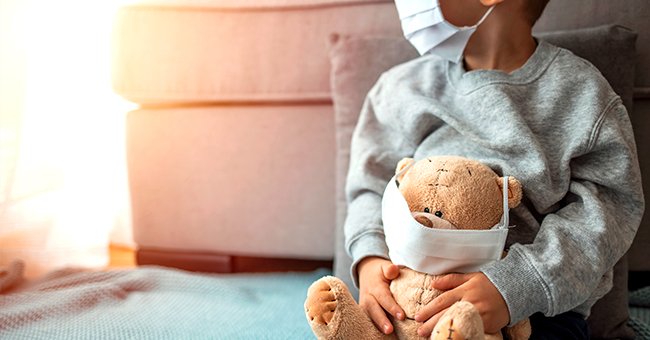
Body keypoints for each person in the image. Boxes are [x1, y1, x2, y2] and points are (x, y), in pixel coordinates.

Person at [344, 0, 645, 338]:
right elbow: (369, 187)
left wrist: (515, 287)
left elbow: (608, 212)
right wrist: (370, 260)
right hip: (407, 302)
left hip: (535, 317)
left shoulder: (580, 93)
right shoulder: (399, 90)